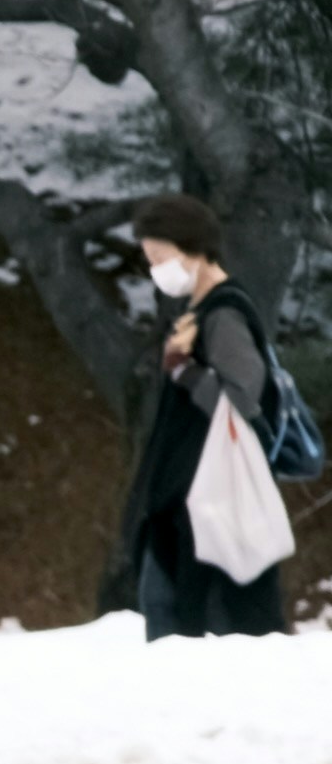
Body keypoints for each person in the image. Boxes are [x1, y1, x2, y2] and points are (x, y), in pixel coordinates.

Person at [111, 194, 294, 635]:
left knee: (192, 621)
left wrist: (184, 370)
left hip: (209, 503)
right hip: (190, 502)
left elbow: (243, 401)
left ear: (192, 247)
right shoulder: (204, 310)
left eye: (160, 258)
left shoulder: (224, 314)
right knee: (168, 610)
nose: (155, 271)